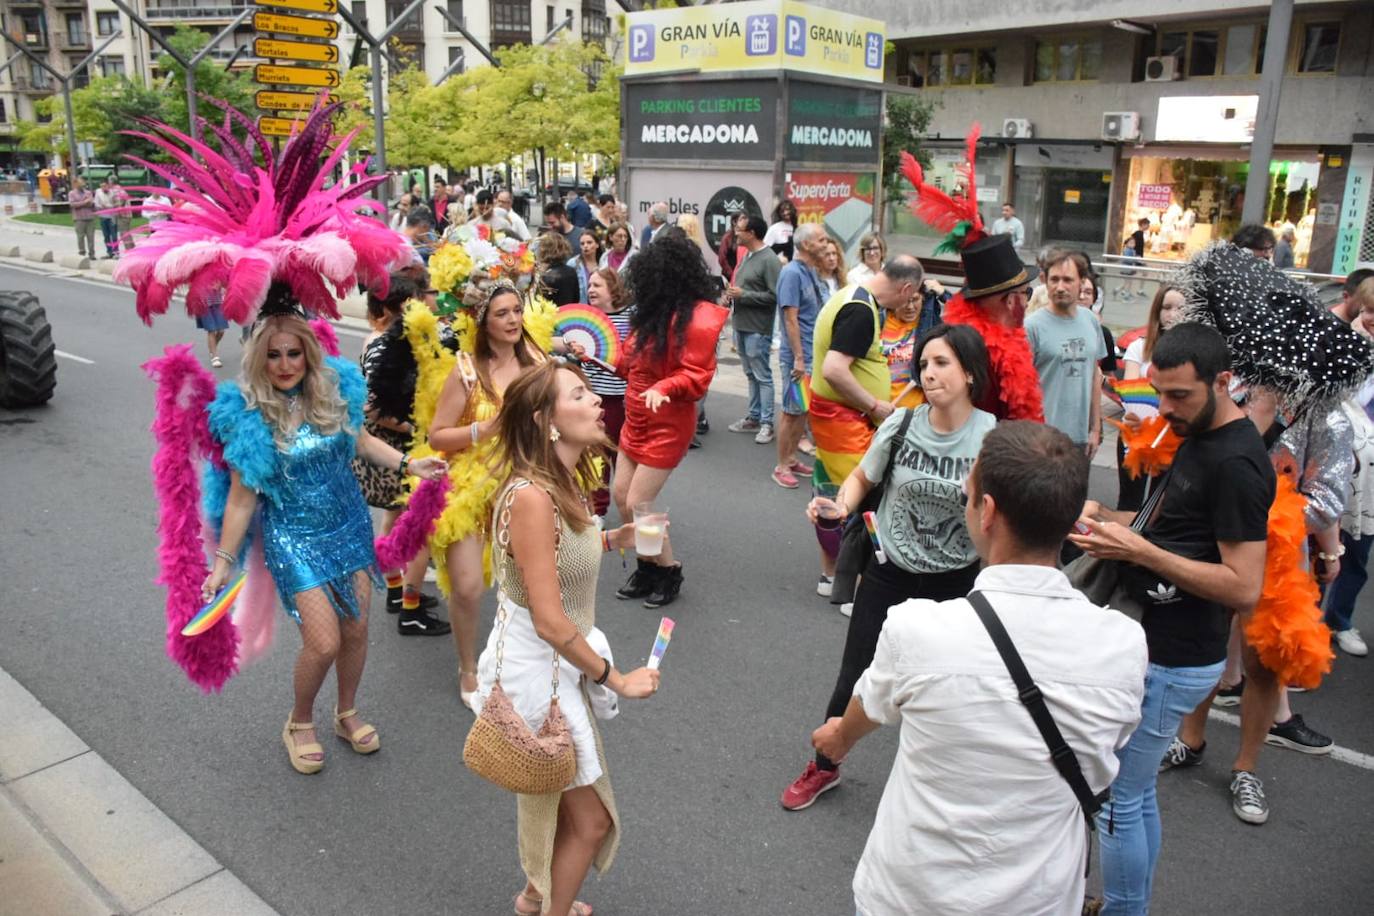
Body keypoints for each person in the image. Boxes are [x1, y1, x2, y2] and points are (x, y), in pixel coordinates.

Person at [812, 420, 1146, 915]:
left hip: (912, 896)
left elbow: (866, 707)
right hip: (1041, 899)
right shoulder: (1124, 644)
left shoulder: (917, 630)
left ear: (986, 512)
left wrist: (838, 738)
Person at [1068, 322, 1274, 914]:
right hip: (1158, 643)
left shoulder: (1237, 462)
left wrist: (1139, 551)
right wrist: (1108, 518)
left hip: (1176, 655)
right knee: (1134, 796)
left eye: (1180, 395)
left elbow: (1245, 587)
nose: (1165, 407)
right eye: (1159, 391)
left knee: (1117, 802)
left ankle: (1126, 909)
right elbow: (1176, 529)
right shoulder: (1198, 436)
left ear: (1224, 382)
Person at [202, 313, 448, 773]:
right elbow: (240, 501)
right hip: (294, 538)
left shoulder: (329, 393)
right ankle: (299, 722)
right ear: (259, 358)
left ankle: (346, 713)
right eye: (273, 355)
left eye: (293, 353)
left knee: (356, 630)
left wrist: (409, 465)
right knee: (322, 642)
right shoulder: (250, 417)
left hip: (349, 526)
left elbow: (361, 441)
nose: (284, 364)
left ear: (308, 354)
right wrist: (222, 562)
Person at [781, 323, 1001, 811]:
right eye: (923, 364)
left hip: (955, 584)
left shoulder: (992, 437)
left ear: (969, 373)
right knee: (854, 678)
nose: (929, 372)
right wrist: (841, 504)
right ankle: (824, 766)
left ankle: (934, 791)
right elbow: (863, 475)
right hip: (889, 571)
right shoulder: (901, 424)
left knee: (943, 689)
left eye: (942, 363)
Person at [475, 361, 660, 916]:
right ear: (546, 421)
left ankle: (536, 896)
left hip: (555, 668)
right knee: (591, 817)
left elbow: (550, 561)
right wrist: (618, 680)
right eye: (580, 394)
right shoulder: (532, 495)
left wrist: (614, 540)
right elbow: (552, 621)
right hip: (537, 675)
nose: (597, 400)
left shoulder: (563, 480)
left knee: (558, 797)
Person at [427, 287, 549, 707]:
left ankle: (518, 661)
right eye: (502, 313)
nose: (513, 320)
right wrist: (486, 428)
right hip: (472, 490)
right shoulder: (466, 371)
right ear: (484, 322)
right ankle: (467, 666)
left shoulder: (538, 366)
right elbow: (437, 436)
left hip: (525, 488)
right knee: (466, 588)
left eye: (517, 310)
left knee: (529, 589)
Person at [611, 234, 729, 608]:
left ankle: (668, 568)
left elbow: (697, 375)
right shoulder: (649, 314)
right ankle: (648, 567)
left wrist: (665, 385)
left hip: (667, 424)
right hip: (635, 418)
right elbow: (627, 365)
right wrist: (593, 354)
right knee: (622, 499)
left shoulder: (695, 320)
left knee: (639, 502)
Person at [900, 138, 1044, 422]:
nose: (1027, 302)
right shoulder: (964, 348)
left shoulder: (1005, 335)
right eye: (1025, 293)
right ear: (1008, 299)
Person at [808, 256, 927, 598]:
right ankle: (857, 587)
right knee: (861, 504)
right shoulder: (862, 310)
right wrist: (874, 405)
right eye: (912, 295)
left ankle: (831, 576)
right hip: (844, 421)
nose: (909, 303)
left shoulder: (853, 294)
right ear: (905, 288)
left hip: (837, 418)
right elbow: (834, 369)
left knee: (832, 495)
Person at [351, 266, 450, 636]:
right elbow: (374, 409)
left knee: (396, 520)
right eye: (416, 300)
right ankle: (409, 609)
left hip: (398, 447)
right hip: (393, 449)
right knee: (417, 523)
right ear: (396, 308)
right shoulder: (383, 344)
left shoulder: (388, 338)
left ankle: (396, 591)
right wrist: (417, 428)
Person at [1025, 250, 1106, 456]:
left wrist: (1095, 428)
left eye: (1068, 280)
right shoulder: (1031, 326)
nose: (1060, 287)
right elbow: (1022, 386)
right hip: (1041, 438)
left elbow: (1095, 376)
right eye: (1054, 279)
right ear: (1045, 281)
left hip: (1080, 438)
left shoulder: (1091, 322)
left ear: (1081, 282)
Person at [1116, 284, 1184, 511]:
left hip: (1173, 438)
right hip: (1136, 433)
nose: (1173, 314)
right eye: (1166, 307)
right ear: (1157, 311)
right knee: (1129, 503)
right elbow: (1131, 390)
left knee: (1160, 506)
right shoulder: (1139, 347)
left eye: (1180, 308)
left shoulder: (1193, 353)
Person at [772, 222, 830, 489]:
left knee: (802, 411)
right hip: (799, 359)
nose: (826, 243)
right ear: (806, 244)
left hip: (810, 356)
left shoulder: (810, 272)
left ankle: (792, 457)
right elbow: (790, 319)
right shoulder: (792, 274)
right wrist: (798, 358)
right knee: (791, 411)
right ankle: (781, 466)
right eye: (821, 240)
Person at [581, 268, 636, 516]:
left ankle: (632, 506)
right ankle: (597, 511)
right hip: (592, 396)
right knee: (595, 454)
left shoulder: (631, 318)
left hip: (621, 399)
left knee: (622, 456)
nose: (591, 289)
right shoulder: (586, 318)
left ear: (613, 288)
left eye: (597, 285)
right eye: (589, 285)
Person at [724, 215, 782, 445]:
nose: (735, 233)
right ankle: (754, 417)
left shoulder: (769, 260)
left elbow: (775, 295)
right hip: (741, 324)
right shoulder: (747, 255)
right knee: (750, 374)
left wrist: (744, 295)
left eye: (739, 229)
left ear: (752, 233)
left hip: (758, 327)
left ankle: (767, 423)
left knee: (762, 375)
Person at [880, 278, 949, 410]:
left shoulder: (930, 323)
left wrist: (943, 293)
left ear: (923, 298)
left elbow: (966, 317)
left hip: (918, 413)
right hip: (881, 411)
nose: (910, 307)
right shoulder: (879, 320)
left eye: (915, 299)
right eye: (904, 301)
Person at [538, 231, 580, 307]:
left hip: (551, 316)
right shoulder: (571, 271)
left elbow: (541, 304)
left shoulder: (546, 276)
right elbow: (576, 298)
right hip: (569, 314)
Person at [196, 289, 230, 369]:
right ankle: (215, 357)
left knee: (221, 331)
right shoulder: (199, 275)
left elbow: (225, 282)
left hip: (218, 303)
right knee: (211, 330)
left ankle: (212, 348)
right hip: (204, 304)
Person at [568, 231, 601, 303]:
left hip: (599, 306)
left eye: (589, 242)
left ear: (597, 244)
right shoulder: (573, 263)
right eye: (582, 244)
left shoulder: (603, 263)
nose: (585, 246)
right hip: (580, 306)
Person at [95, 177, 120, 258]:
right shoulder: (98, 192)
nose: (103, 188)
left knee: (114, 235)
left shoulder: (113, 192)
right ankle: (109, 251)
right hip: (103, 216)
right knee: (106, 235)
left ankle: (116, 251)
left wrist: (110, 206)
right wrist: (101, 206)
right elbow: (96, 203)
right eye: (102, 186)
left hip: (112, 216)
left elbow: (118, 203)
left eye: (105, 186)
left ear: (108, 185)